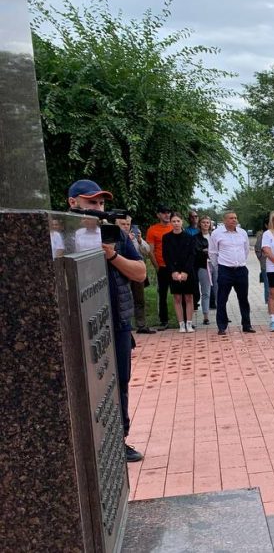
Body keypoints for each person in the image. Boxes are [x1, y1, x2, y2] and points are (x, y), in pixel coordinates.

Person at [67, 179, 147, 462]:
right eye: (91, 202)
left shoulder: (115, 235)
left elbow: (140, 273)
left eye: (101, 203)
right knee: (83, 385)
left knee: (120, 380)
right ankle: (84, 445)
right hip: (81, 324)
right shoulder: (63, 234)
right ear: (73, 203)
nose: (98, 208)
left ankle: (118, 439)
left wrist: (111, 254)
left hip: (117, 321)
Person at [209, 212, 255, 336]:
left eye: (235, 218)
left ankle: (247, 325)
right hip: (225, 270)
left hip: (241, 270)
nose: (234, 220)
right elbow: (212, 252)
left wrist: (240, 261)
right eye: (231, 218)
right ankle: (222, 326)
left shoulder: (242, 233)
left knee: (243, 299)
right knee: (222, 299)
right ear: (224, 220)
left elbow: (246, 250)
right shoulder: (217, 233)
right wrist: (219, 266)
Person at [118, 216, 155, 334]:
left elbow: (147, 250)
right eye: (123, 224)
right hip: (121, 272)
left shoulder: (134, 237)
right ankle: (125, 325)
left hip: (136, 272)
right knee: (123, 300)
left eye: (128, 224)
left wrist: (139, 240)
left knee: (139, 299)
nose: (126, 226)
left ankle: (141, 325)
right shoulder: (115, 237)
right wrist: (125, 241)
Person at [162, 213, 198, 333]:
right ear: (171, 223)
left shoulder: (190, 237)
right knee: (177, 297)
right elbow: (166, 256)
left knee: (189, 297)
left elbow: (192, 255)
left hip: (188, 271)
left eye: (178, 221)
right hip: (174, 271)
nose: (176, 223)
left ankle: (189, 323)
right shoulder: (166, 237)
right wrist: (173, 271)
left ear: (182, 222)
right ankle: (181, 324)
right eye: (174, 221)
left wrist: (186, 272)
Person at [145, 205, 173, 330]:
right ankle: (164, 320)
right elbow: (150, 250)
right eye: (164, 212)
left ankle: (183, 320)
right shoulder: (152, 230)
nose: (167, 215)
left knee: (180, 293)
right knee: (162, 294)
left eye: (168, 212)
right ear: (158, 215)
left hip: (175, 266)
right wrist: (156, 266)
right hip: (162, 266)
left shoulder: (174, 226)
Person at [194, 216, 213, 325]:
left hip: (216, 265)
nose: (206, 224)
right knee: (206, 291)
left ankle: (222, 314)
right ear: (200, 224)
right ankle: (206, 316)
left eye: (207, 222)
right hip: (203, 266)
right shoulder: (195, 238)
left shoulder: (214, 236)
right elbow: (197, 252)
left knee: (219, 290)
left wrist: (207, 251)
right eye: (203, 222)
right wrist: (205, 251)